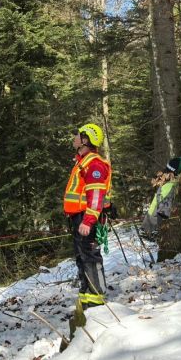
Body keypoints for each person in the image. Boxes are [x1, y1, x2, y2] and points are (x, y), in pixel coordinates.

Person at [63, 123, 112, 309]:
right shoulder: (82, 162)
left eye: (78, 135)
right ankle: (86, 295)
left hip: (87, 218)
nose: (74, 137)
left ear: (85, 140)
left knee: (91, 256)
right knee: (81, 256)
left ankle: (97, 297)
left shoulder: (95, 164)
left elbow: (97, 195)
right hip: (78, 217)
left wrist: (89, 220)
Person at [142, 157, 181, 235]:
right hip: (179, 173)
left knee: (171, 187)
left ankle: (150, 222)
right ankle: (150, 223)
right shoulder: (172, 174)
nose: (168, 176)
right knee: (167, 188)